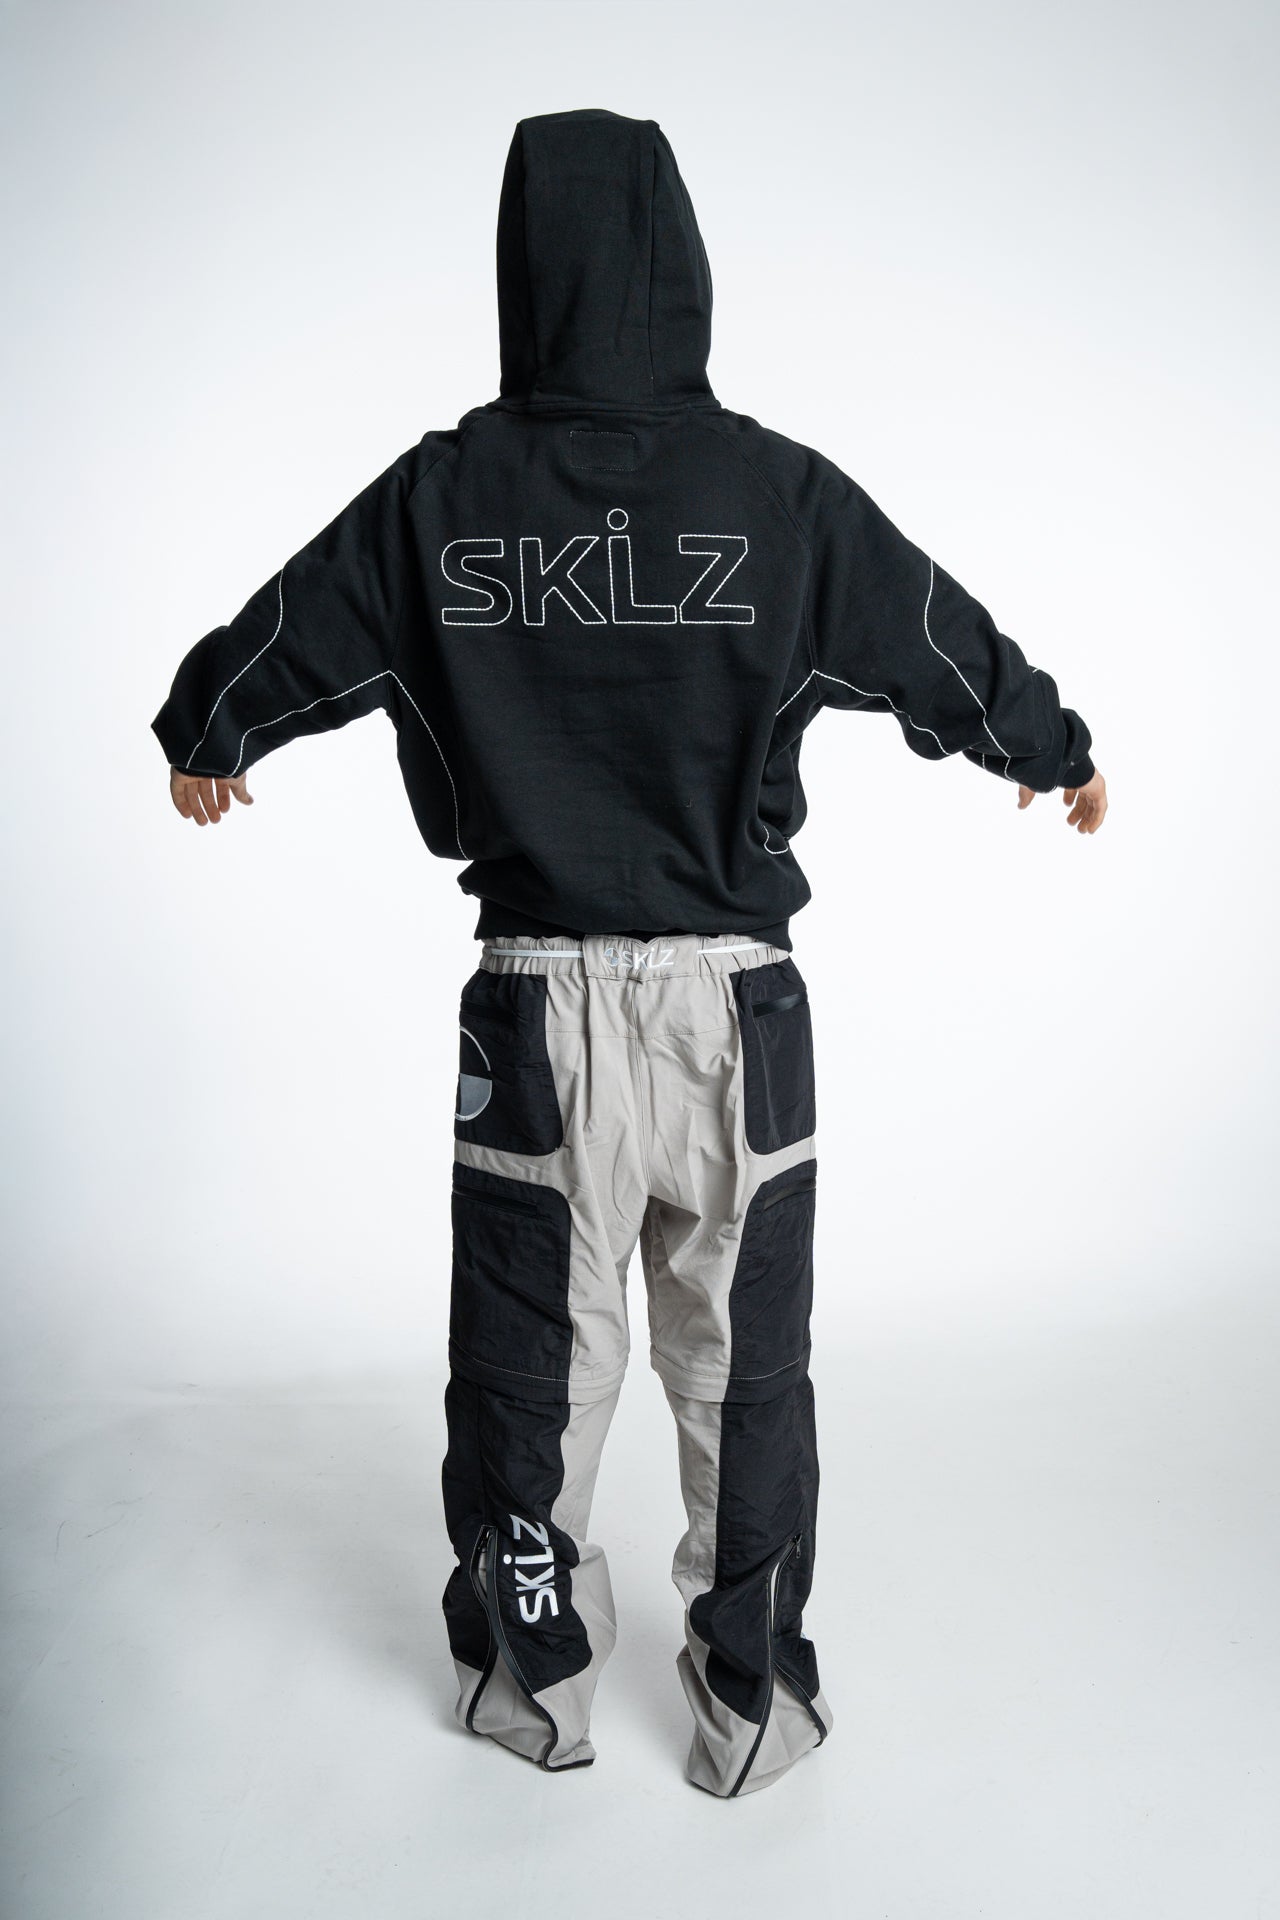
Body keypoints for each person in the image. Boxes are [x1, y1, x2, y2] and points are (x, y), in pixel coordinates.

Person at [150, 106, 1107, 1798]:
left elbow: (276, 640)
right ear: (683, 264)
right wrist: (1051, 748)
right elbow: (936, 636)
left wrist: (206, 732)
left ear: (523, 272)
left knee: (531, 1368)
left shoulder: (441, 496)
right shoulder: (781, 496)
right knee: (748, 1378)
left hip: (534, 1014)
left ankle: (533, 1697)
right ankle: (755, 1706)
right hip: (741, 1014)